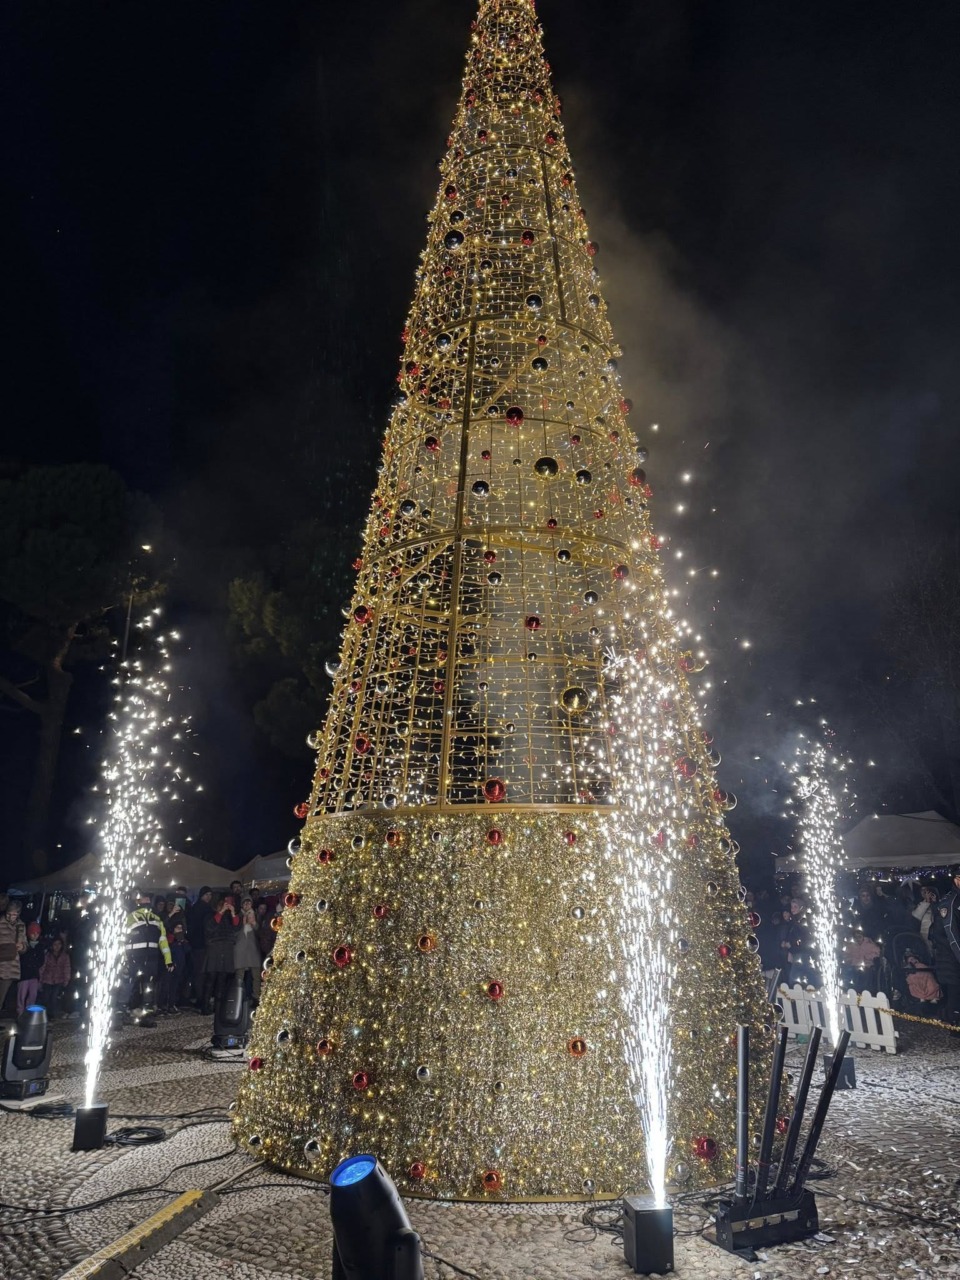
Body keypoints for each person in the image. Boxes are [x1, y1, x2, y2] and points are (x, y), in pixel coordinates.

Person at [118, 890, 173, 1014]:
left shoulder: (156, 919)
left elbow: (163, 941)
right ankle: (125, 1009)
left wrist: (168, 960)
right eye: (145, 898)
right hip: (134, 957)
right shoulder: (130, 918)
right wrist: (124, 959)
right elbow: (121, 941)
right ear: (137, 901)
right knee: (133, 983)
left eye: (149, 898)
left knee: (149, 983)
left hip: (151, 957)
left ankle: (145, 1009)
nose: (147, 901)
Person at [929, 866, 960, 1031]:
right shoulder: (949, 903)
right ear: (956, 880)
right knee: (955, 995)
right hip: (950, 958)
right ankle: (954, 1026)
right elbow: (952, 935)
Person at [203, 895, 240, 1013]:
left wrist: (233, 913)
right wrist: (221, 911)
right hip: (215, 948)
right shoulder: (210, 915)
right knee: (211, 978)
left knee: (222, 979)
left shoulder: (230, 917)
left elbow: (236, 928)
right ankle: (205, 1005)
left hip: (227, 947)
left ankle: (218, 1006)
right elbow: (210, 927)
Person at [186, 887, 214, 1008]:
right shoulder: (205, 909)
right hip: (202, 945)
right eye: (207, 894)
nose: (209, 897)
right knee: (201, 972)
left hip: (197, 945)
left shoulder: (195, 908)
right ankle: (202, 999)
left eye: (210, 895)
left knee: (199, 972)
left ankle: (200, 997)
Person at [0, 896, 27, 1017]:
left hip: (11, 966)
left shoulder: (21, 926)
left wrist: (22, 947)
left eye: (14, 914)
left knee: (2, 996)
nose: (11, 917)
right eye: (9, 914)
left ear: (19, 914)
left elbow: (25, 944)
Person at [234, 897, 262, 1005]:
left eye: (249, 903)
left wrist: (254, 923)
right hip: (240, 948)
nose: (247, 905)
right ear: (241, 905)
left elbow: (261, 932)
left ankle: (256, 997)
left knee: (256, 974)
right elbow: (234, 931)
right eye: (245, 903)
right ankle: (238, 996)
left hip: (253, 948)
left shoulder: (256, 915)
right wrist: (242, 923)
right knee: (239, 974)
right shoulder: (237, 916)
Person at [39, 937, 72, 1018]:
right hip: (47, 979)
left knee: (54, 997)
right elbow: (43, 967)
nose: (57, 946)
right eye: (55, 944)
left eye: (59, 944)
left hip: (59, 980)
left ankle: (52, 1014)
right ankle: (45, 1015)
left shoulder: (65, 956)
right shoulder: (47, 955)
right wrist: (40, 979)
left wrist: (66, 979)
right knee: (46, 998)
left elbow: (67, 968)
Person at [18, 923, 46, 1015]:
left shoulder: (40, 946)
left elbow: (41, 960)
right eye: (33, 933)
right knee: (21, 996)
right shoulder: (24, 945)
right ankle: (20, 1014)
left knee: (32, 996)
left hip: (34, 975)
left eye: (37, 933)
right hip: (24, 975)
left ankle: (29, 1015)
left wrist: (36, 965)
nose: (35, 935)